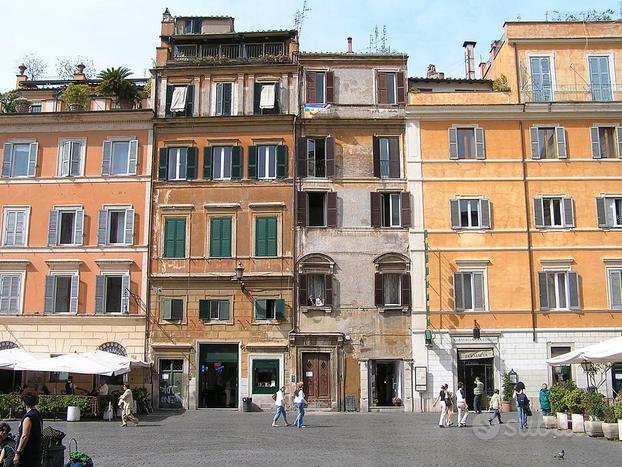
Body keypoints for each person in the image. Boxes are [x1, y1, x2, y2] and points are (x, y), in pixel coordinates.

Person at [14, 389, 42, 467]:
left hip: (28, 454)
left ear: (24, 402)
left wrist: (18, 453)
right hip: (36, 452)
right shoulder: (37, 414)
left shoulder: (28, 417)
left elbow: (24, 436)